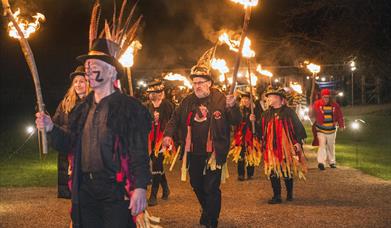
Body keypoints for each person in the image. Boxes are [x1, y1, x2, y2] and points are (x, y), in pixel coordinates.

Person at [36, 38, 151, 228]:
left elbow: (139, 151)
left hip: (115, 189)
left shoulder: (129, 108)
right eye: (87, 65)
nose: (88, 69)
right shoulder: (82, 109)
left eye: (94, 65)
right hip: (86, 189)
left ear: (111, 72)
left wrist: (140, 187)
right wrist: (51, 128)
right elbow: (70, 143)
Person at [162, 47, 242, 228]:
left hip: (214, 152)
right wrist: (167, 135)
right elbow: (174, 119)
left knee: (211, 188)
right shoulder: (187, 101)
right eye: (195, 82)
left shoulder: (221, 99)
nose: (197, 85)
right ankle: (208, 210)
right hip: (192, 152)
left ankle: (211, 221)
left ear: (209, 83)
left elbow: (236, 120)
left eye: (201, 82)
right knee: (196, 184)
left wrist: (233, 107)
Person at [259, 86, 307, 204]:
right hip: (272, 148)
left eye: (270, 96)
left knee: (287, 170)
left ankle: (289, 193)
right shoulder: (266, 114)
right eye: (268, 97)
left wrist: (298, 142)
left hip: (286, 147)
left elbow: (297, 127)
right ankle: (277, 196)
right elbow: (261, 131)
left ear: (278, 98)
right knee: (273, 171)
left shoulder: (289, 112)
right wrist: (253, 121)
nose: (268, 99)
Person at [53, 65, 89, 199]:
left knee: (85, 189)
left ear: (88, 83)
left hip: (85, 150)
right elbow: (55, 122)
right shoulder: (65, 103)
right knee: (72, 186)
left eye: (81, 81)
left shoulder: (94, 102)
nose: (78, 85)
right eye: (75, 82)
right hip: (68, 148)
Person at [144, 80, 175, 206]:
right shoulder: (146, 105)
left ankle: (153, 195)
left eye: (154, 92)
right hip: (150, 139)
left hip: (163, 139)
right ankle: (166, 189)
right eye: (150, 92)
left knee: (156, 164)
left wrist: (159, 121)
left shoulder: (167, 105)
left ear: (160, 93)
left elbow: (172, 122)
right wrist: (151, 121)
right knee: (157, 165)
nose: (151, 95)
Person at [230, 91, 261, 181]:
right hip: (241, 136)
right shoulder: (240, 110)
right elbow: (236, 120)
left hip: (251, 135)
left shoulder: (256, 110)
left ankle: (250, 173)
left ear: (251, 100)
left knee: (250, 153)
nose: (245, 100)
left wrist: (254, 120)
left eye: (247, 99)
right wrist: (247, 118)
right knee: (240, 154)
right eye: (243, 99)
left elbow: (260, 122)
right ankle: (241, 174)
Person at [312, 88, 345, 170]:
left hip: (332, 130)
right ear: (322, 97)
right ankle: (321, 162)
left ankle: (332, 162)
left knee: (331, 146)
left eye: (327, 97)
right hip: (321, 129)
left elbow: (340, 115)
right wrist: (313, 121)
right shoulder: (317, 104)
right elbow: (312, 113)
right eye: (324, 97)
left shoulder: (335, 105)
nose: (326, 99)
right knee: (322, 145)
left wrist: (341, 125)